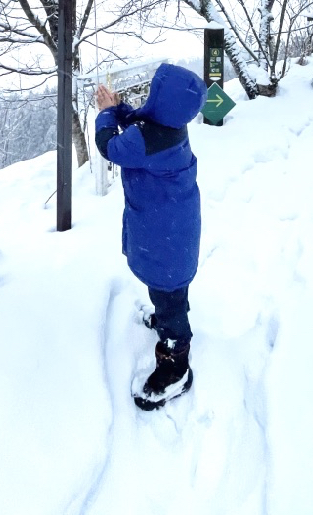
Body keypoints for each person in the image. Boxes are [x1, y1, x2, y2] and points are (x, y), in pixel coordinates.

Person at [95, 63, 207, 411]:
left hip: (164, 235)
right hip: (172, 228)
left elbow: (110, 147)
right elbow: (141, 125)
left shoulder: (147, 140)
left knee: (167, 286)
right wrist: (119, 109)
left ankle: (176, 363)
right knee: (169, 287)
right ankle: (168, 315)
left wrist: (105, 115)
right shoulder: (170, 125)